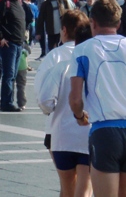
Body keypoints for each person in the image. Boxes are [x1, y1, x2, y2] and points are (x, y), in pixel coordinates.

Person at [69, 0, 126, 197]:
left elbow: (75, 99)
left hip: (105, 131)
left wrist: (79, 116)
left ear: (93, 22)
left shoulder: (82, 50)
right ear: (118, 24)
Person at [36, 10, 92, 197]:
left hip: (59, 133)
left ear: (66, 30)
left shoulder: (56, 57)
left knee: (67, 188)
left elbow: (43, 98)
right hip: (90, 134)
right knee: (84, 189)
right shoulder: (97, 60)